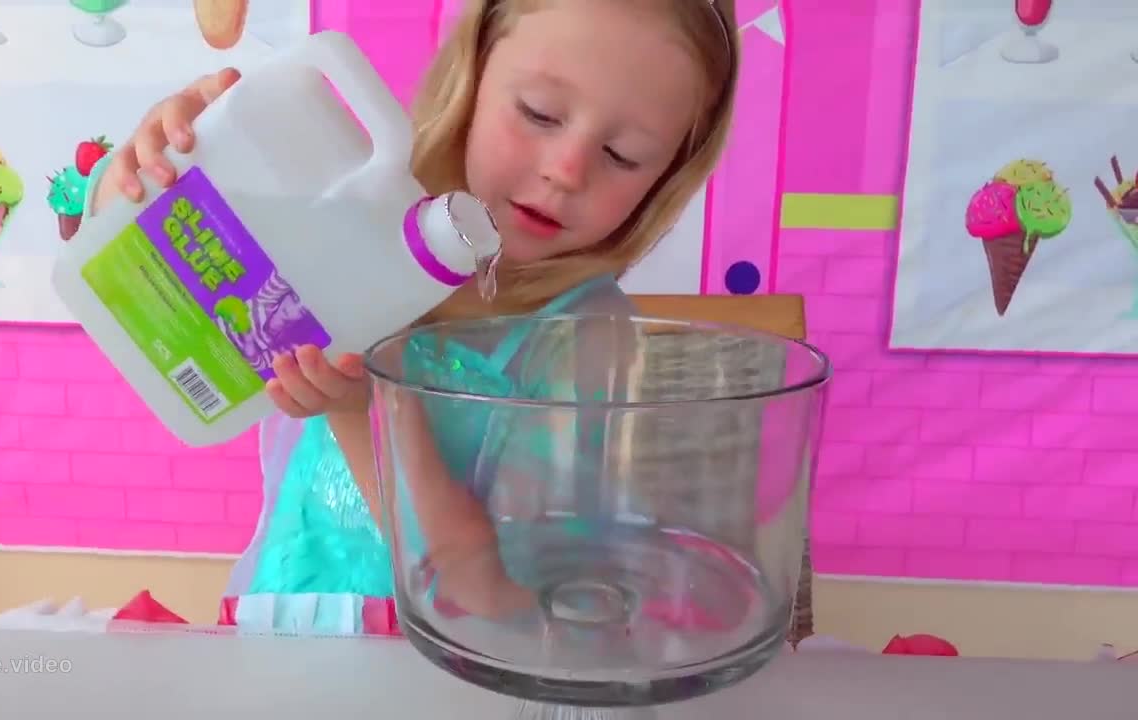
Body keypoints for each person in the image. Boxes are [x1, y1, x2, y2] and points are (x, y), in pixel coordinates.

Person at [82, 0, 739, 633]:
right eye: (540, 113)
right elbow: (150, 302)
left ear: (665, 180)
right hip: (273, 629)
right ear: (474, 73)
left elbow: (485, 597)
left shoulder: (584, 337)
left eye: (622, 154)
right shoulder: (351, 207)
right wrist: (148, 175)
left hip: (422, 674)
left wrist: (362, 408)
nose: (566, 171)